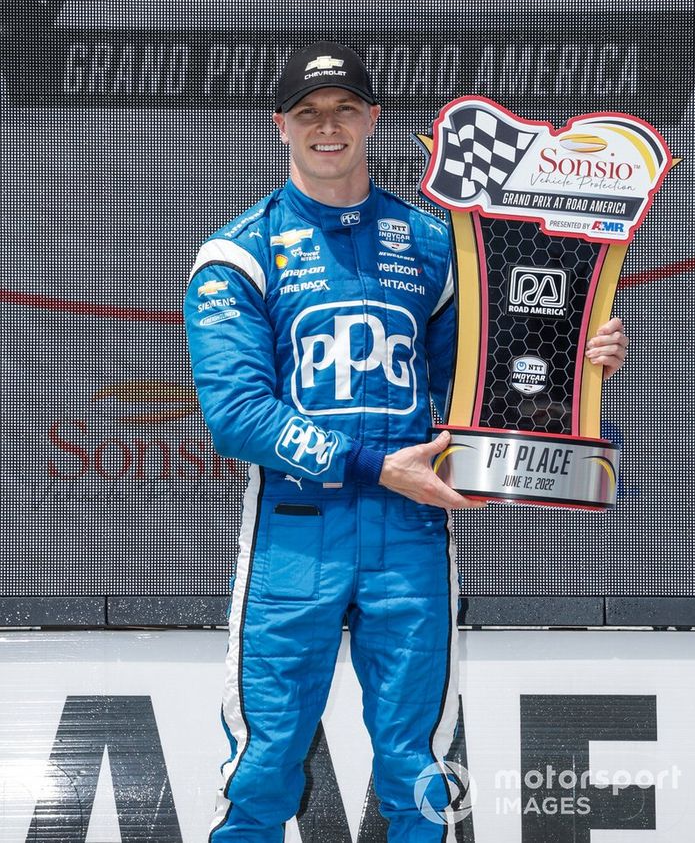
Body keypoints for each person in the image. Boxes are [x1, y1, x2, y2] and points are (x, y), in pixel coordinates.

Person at [183, 43, 628, 841]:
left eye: (345, 109)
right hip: (295, 535)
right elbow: (235, 415)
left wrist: (577, 375)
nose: (329, 127)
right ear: (279, 125)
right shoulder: (236, 254)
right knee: (262, 764)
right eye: (309, 113)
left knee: (419, 768)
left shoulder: (434, 247)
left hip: (411, 538)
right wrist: (373, 463)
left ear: (373, 119)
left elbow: (492, 386)